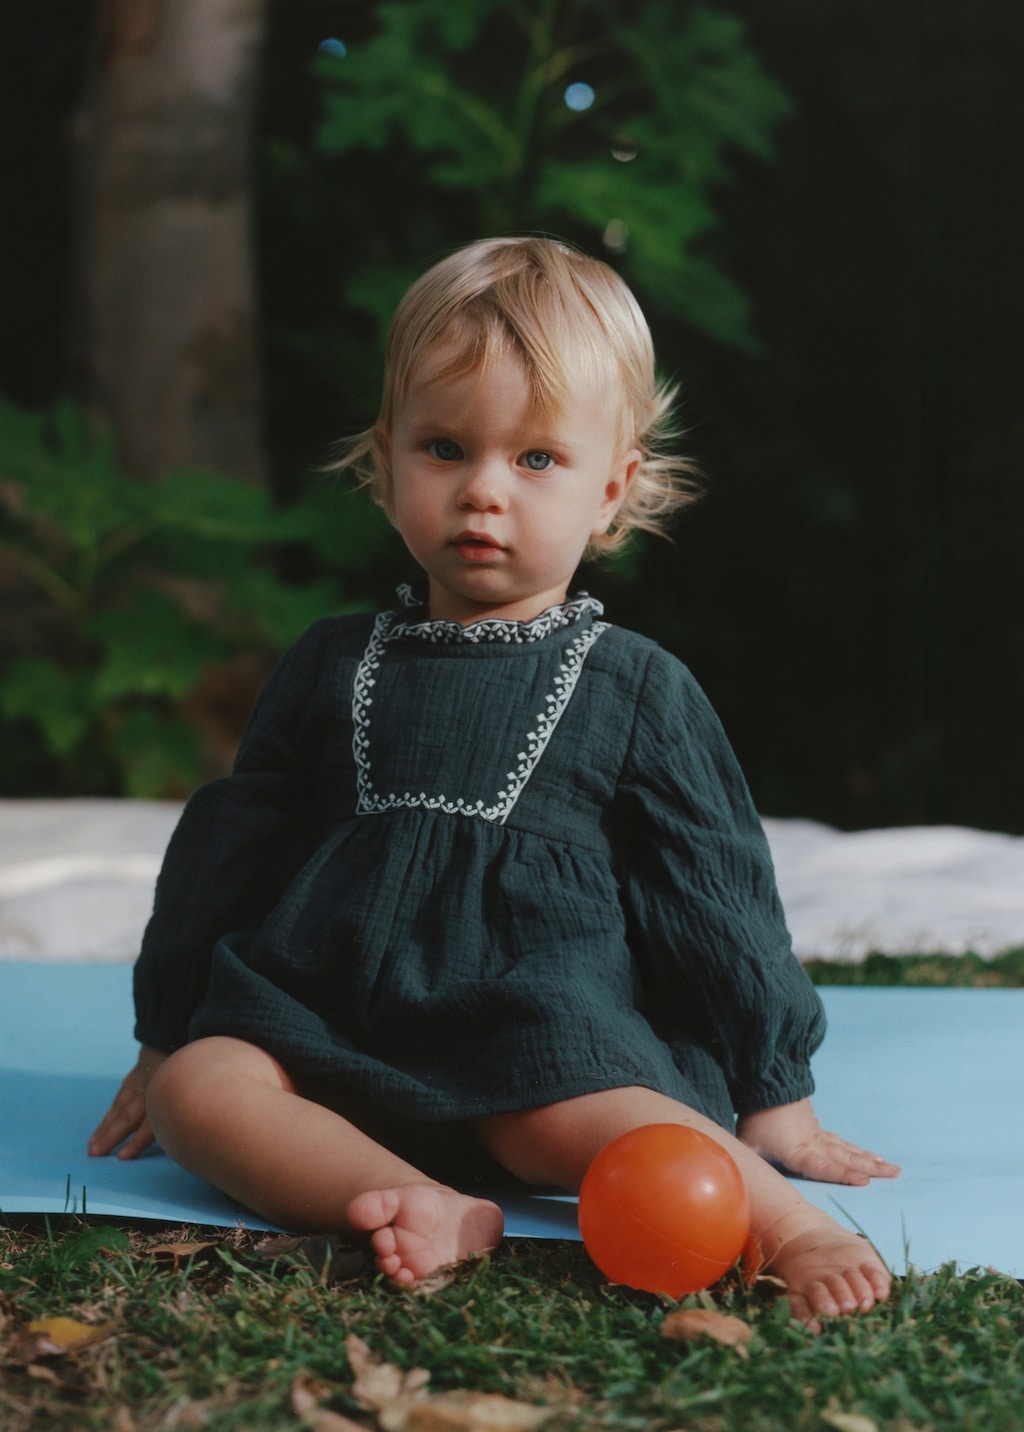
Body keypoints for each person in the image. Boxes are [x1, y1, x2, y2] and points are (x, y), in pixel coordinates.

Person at [89, 236, 899, 1327]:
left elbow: (714, 888)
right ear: (384, 465)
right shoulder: (331, 662)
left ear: (610, 490)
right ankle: (412, 1197)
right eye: (442, 447)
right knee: (206, 1091)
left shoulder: (634, 686)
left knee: (605, 1118)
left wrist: (775, 1089)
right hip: (324, 1009)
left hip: (531, 1018)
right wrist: (165, 1029)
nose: (481, 492)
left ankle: (788, 1223)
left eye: (534, 460)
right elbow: (228, 848)